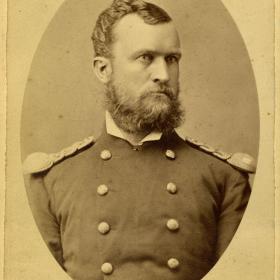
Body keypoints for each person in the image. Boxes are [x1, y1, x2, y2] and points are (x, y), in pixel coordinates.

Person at [23, 0, 256, 279]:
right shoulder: (52, 182)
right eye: (146, 57)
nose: (163, 75)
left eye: (172, 59)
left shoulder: (224, 178)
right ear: (102, 70)